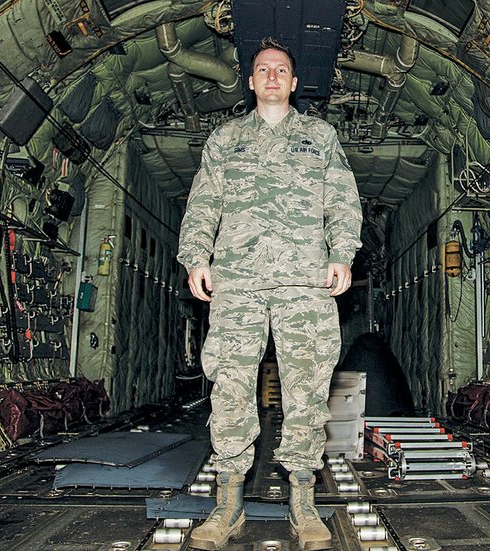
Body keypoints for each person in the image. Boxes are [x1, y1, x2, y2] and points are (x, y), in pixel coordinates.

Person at [177, 36, 362, 551]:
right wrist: (196, 258)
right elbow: (203, 203)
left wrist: (342, 252)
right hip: (237, 282)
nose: (273, 76)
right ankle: (228, 503)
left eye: (281, 69)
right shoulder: (226, 139)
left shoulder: (320, 137)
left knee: (307, 389)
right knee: (231, 389)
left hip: (306, 283)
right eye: (263, 70)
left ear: (295, 82)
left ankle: (304, 502)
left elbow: (343, 202)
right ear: (252, 81)